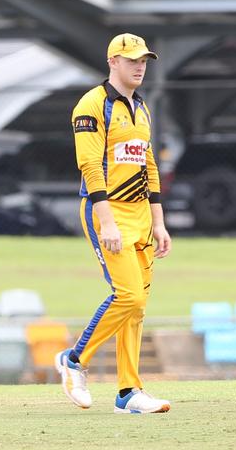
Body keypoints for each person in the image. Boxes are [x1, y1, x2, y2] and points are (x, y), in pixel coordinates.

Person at [55, 33, 172, 414]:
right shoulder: (92, 104)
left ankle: (128, 392)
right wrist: (107, 222)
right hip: (108, 211)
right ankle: (74, 360)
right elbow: (90, 165)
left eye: (144, 60)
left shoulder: (141, 107)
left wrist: (159, 222)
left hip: (140, 214)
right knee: (129, 296)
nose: (140, 66)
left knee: (138, 307)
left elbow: (148, 164)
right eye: (132, 59)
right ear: (113, 62)